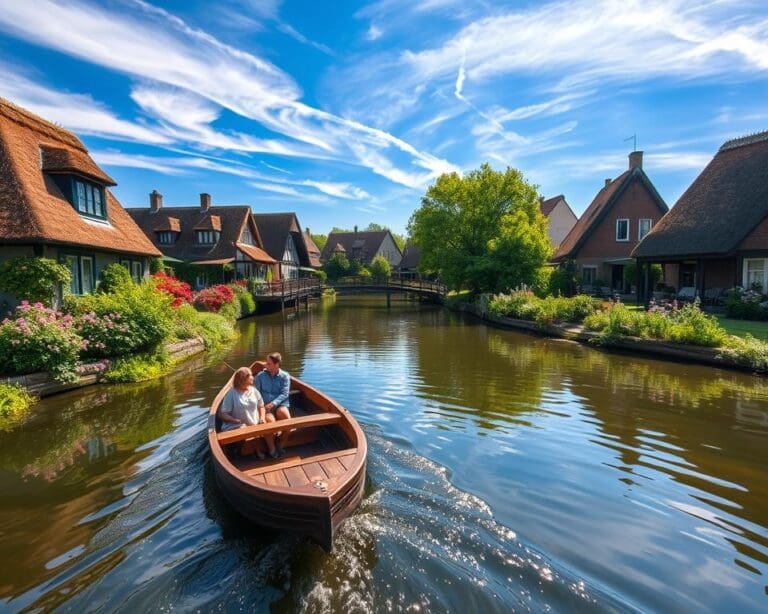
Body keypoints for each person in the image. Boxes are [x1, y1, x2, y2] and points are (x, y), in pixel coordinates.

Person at [219, 366, 268, 459]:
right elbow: (223, 413)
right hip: (236, 424)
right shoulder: (231, 393)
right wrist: (234, 420)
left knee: (265, 425)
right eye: (251, 376)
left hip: (254, 423)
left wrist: (262, 417)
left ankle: (263, 449)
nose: (253, 377)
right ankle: (238, 451)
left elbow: (261, 406)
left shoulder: (254, 390)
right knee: (244, 428)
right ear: (243, 379)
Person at [255, 352, 291, 457]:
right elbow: (256, 394)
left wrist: (273, 404)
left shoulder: (285, 376)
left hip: (280, 404)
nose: (266, 364)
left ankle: (280, 445)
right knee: (270, 422)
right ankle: (272, 449)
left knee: (288, 421)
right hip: (265, 406)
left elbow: (285, 394)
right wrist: (263, 406)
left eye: (268, 363)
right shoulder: (260, 376)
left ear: (277, 364)